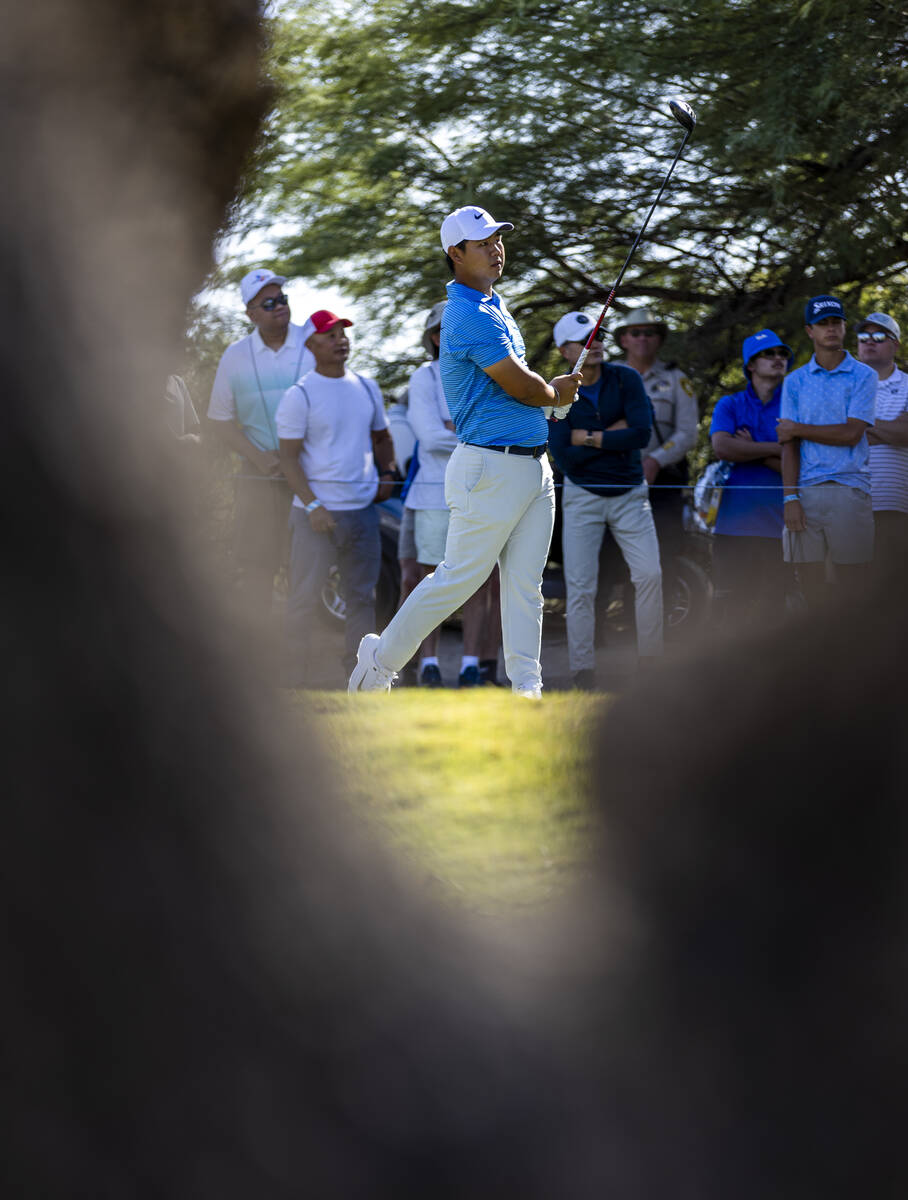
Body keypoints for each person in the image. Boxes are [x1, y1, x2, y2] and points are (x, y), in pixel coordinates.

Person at [348, 205, 579, 696]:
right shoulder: (467, 313)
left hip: (533, 466)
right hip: (489, 467)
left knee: (525, 587)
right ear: (455, 253)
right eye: (483, 243)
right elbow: (521, 386)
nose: (496, 249)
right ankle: (380, 661)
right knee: (457, 579)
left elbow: (523, 395)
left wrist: (551, 401)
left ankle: (527, 690)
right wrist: (556, 394)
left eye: (499, 240)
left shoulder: (495, 305)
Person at [276, 309, 397, 684]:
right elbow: (288, 460)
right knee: (304, 600)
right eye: (330, 335)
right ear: (310, 345)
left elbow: (382, 437)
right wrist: (313, 505)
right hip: (316, 515)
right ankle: (293, 683)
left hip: (361, 513)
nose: (340, 339)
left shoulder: (366, 387)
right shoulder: (299, 395)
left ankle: (358, 681)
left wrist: (388, 472)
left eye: (343, 332)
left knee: (362, 599)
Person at [547, 310, 662, 689]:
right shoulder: (557, 390)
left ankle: (651, 666)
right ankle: (583, 671)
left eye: (597, 336)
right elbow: (564, 455)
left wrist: (590, 436)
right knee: (580, 586)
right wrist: (613, 432)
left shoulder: (625, 377)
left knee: (649, 575)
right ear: (565, 350)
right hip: (582, 495)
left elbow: (642, 434)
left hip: (631, 493)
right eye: (584, 340)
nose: (594, 344)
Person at [207, 268, 315, 625]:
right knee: (257, 568)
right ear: (251, 314)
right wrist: (258, 457)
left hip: (313, 472)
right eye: (267, 303)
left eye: (281, 299)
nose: (278, 307)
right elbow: (219, 419)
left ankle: (309, 656)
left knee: (310, 567)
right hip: (259, 475)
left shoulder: (314, 340)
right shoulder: (235, 356)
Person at [405, 300, 503, 687]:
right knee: (430, 581)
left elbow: (497, 430)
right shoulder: (423, 378)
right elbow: (429, 438)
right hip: (432, 496)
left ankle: (469, 666)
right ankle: (428, 665)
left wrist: (456, 428)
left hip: (480, 493)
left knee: (481, 581)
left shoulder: (486, 374)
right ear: (434, 337)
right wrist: (471, 433)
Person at [777, 295, 876, 609]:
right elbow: (787, 445)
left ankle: (851, 652)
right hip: (805, 493)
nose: (831, 329)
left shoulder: (864, 375)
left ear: (845, 326)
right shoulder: (794, 381)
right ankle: (819, 652)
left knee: (853, 585)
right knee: (810, 586)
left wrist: (797, 428)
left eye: (836, 322)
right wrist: (790, 497)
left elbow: (851, 434)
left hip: (849, 490)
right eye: (823, 324)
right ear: (810, 331)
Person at [708, 329, 791, 629]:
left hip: (781, 528)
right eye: (769, 354)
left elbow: (799, 465)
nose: (778, 359)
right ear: (751, 365)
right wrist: (775, 449)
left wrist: (750, 447)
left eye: (782, 354)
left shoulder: (794, 404)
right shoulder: (729, 404)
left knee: (773, 615)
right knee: (731, 614)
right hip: (733, 529)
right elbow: (722, 447)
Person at [612, 307, 698, 548]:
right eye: (636, 332)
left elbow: (688, 432)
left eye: (649, 333)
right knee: (611, 558)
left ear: (659, 339)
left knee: (665, 552)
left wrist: (655, 461)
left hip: (662, 484)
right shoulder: (609, 377)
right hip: (613, 480)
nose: (642, 338)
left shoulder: (676, 379)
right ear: (624, 339)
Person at [856, 311, 908, 568]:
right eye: (863, 336)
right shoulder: (843, 387)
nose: (869, 341)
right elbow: (832, 435)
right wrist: (889, 429)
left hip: (896, 507)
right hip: (848, 506)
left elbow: (905, 434)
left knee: (892, 594)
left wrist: (858, 425)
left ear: (895, 344)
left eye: (878, 335)